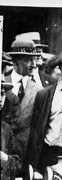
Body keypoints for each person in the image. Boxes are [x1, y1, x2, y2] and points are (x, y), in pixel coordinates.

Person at [6, 36, 42, 167]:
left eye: (34, 60)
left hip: (24, 157)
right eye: (28, 60)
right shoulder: (3, 83)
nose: (33, 65)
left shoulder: (39, 91)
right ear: (15, 61)